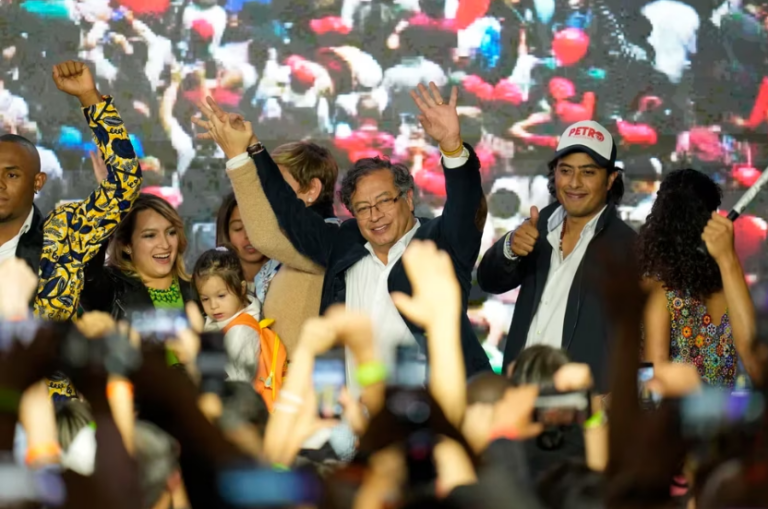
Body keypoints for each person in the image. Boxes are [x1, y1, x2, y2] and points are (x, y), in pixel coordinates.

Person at [196, 82, 491, 384]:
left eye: (383, 202)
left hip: (435, 407)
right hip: (354, 414)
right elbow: (289, 210)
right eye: (362, 208)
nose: (374, 215)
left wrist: (453, 148)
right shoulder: (345, 242)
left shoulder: (438, 241)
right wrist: (253, 148)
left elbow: (466, 206)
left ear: (409, 198)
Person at [477, 120, 636, 392]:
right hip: (519, 396)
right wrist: (510, 247)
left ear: (610, 179)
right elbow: (488, 280)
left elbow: (632, 340)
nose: (574, 183)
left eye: (588, 172)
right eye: (566, 171)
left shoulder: (626, 247)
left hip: (579, 404)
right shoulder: (536, 226)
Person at [0, 60, 142, 320]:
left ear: (37, 182)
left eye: (11, 174)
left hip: (50, 359)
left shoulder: (64, 234)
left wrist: (90, 97)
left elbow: (125, 180)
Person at [200, 102, 340, 354]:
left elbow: (264, 236)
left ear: (311, 190)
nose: (271, 194)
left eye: (280, 186)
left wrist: (237, 157)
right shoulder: (284, 253)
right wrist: (250, 140)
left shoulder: (331, 240)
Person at [638, 169, 762, 387]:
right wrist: (728, 259)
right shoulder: (728, 287)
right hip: (728, 417)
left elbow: (653, 385)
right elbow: (753, 361)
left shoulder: (656, 290)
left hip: (675, 418)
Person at [81, 194, 196, 321]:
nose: (165, 244)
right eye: (150, 235)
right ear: (126, 245)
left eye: (171, 232)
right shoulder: (111, 289)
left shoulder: (199, 288)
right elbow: (85, 269)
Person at [193, 246, 263, 383]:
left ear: (242, 289)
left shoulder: (241, 332)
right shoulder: (221, 320)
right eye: (205, 299)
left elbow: (236, 384)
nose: (213, 306)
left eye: (221, 296)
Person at [215, 192, 276, 302]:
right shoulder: (212, 283)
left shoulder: (288, 278)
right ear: (226, 233)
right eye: (238, 228)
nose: (248, 235)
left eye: (256, 226)